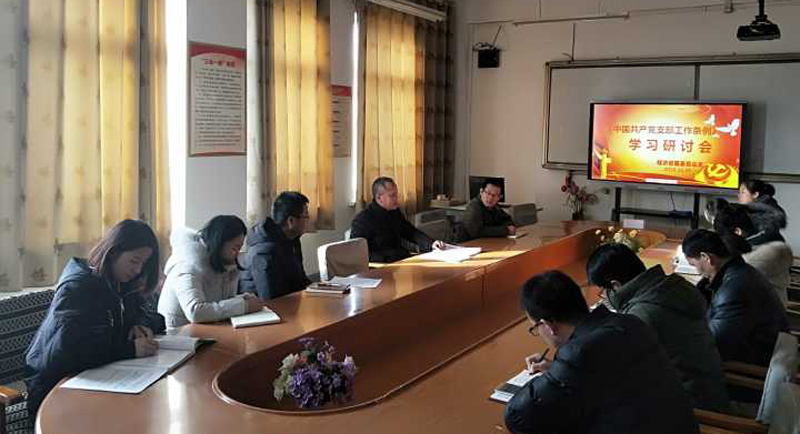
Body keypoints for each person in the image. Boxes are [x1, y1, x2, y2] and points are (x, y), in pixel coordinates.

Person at [504, 270, 699, 434]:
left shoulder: (580, 352)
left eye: (535, 327)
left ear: (548, 325)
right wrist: (557, 370)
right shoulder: (629, 322)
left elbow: (517, 417)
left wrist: (552, 376)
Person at [25, 220, 166, 417]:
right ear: (114, 252)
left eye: (143, 263)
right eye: (135, 261)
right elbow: (68, 352)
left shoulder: (122, 283)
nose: (138, 270)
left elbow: (155, 318)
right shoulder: (78, 288)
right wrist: (130, 349)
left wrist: (139, 324)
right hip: (55, 392)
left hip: (101, 381)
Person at [586, 243, 730, 413]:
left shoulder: (641, 315)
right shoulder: (678, 286)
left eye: (604, 291)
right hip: (712, 388)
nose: (605, 296)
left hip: (687, 408)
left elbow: (625, 372)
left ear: (616, 285)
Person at [681, 229, 788, 367]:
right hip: (765, 346)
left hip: (753, 365)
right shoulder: (740, 270)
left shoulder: (734, 290)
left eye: (694, 265)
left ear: (706, 257)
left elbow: (713, 347)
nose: (697, 271)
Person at [158, 215, 263, 327]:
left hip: (205, 328)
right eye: (235, 248)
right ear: (219, 243)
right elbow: (195, 311)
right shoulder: (187, 264)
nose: (237, 253)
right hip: (177, 332)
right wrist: (244, 305)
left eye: (240, 248)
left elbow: (218, 301)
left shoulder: (222, 262)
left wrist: (242, 299)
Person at [709, 199, 792, 307]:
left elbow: (727, 280)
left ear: (737, 232)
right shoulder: (766, 237)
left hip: (760, 311)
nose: (724, 241)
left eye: (724, 236)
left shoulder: (757, 255)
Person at [350, 177, 444, 262]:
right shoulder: (362, 220)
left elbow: (410, 231)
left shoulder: (394, 212)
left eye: (396, 194)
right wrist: (387, 258)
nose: (396, 198)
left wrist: (431, 243)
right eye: (392, 195)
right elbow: (357, 253)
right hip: (381, 265)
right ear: (379, 198)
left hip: (401, 258)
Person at [239, 192, 312, 300]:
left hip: (290, 302)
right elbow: (271, 299)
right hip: (264, 308)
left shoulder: (292, 240)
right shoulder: (264, 252)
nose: (309, 219)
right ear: (291, 221)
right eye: (306, 216)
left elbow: (300, 282)